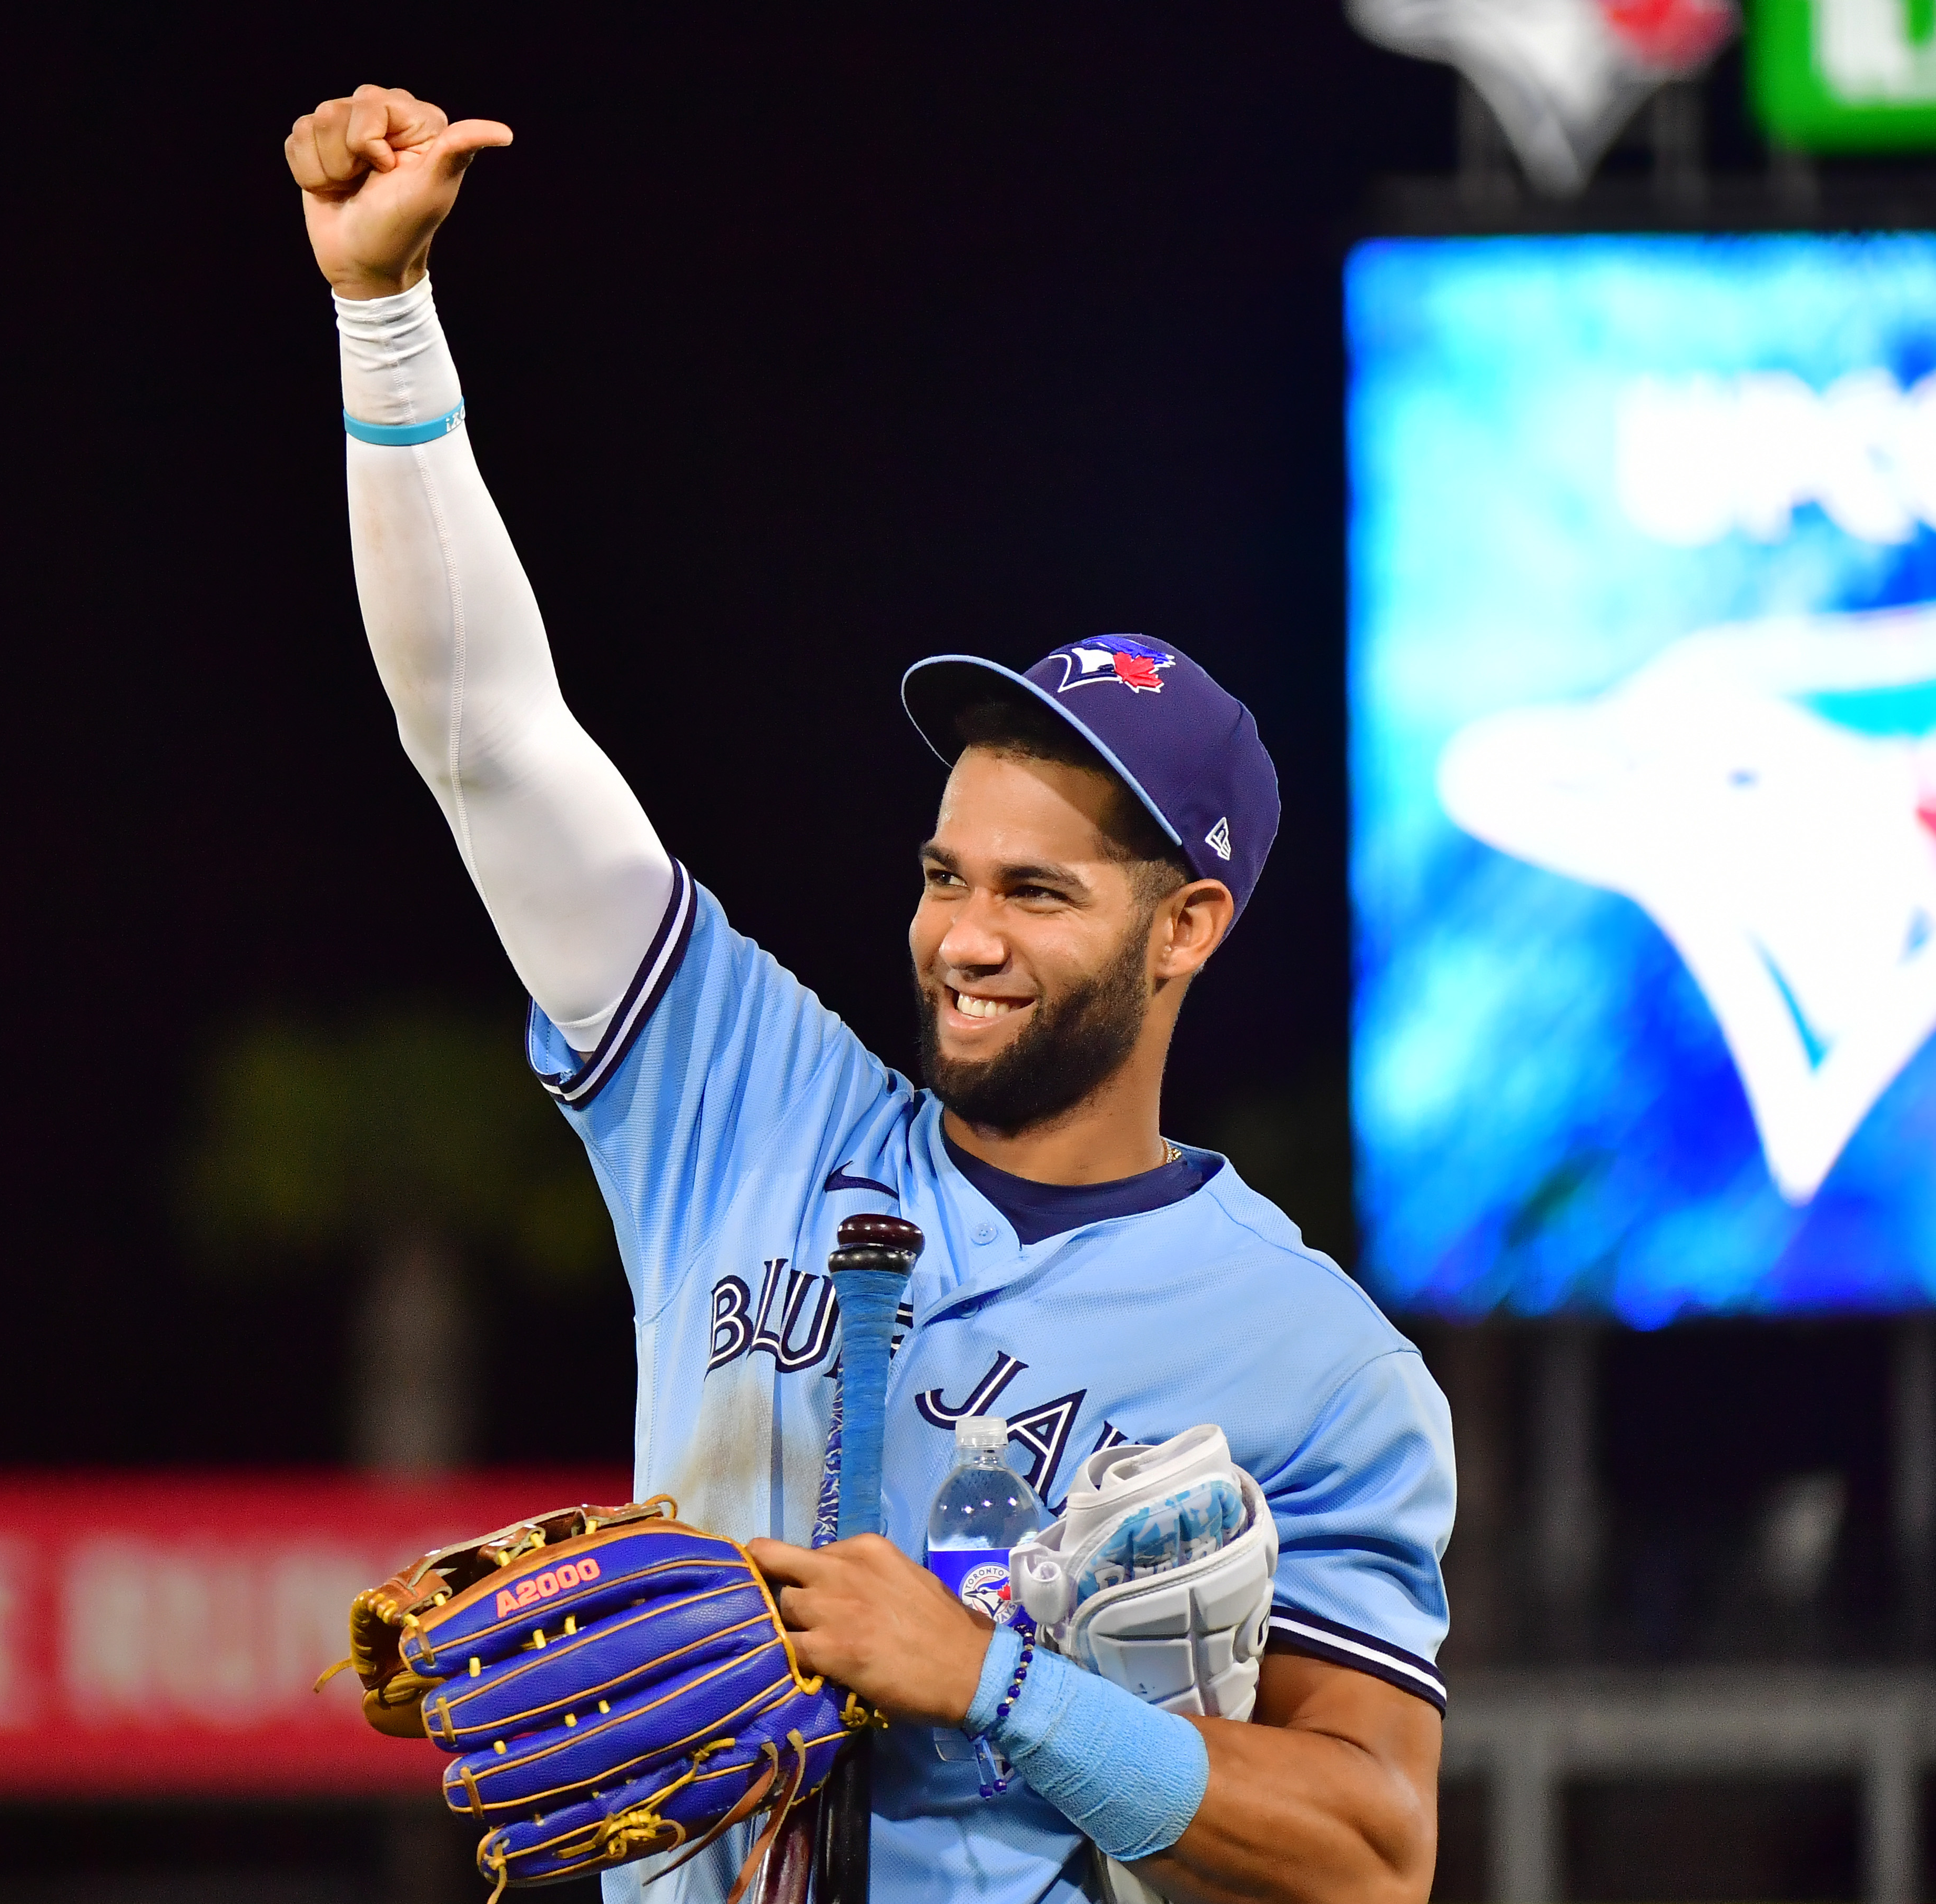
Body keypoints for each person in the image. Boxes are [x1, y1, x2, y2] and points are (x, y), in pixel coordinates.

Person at [285, 84, 1453, 1904]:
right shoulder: (738, 1099)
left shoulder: (1314, 1356)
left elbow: (1374, 1847)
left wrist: (996, 1682)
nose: (963, 936)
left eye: (1036, 893)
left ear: (1189, 927)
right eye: (943, 875)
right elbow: (490, 744)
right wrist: (384, 315)